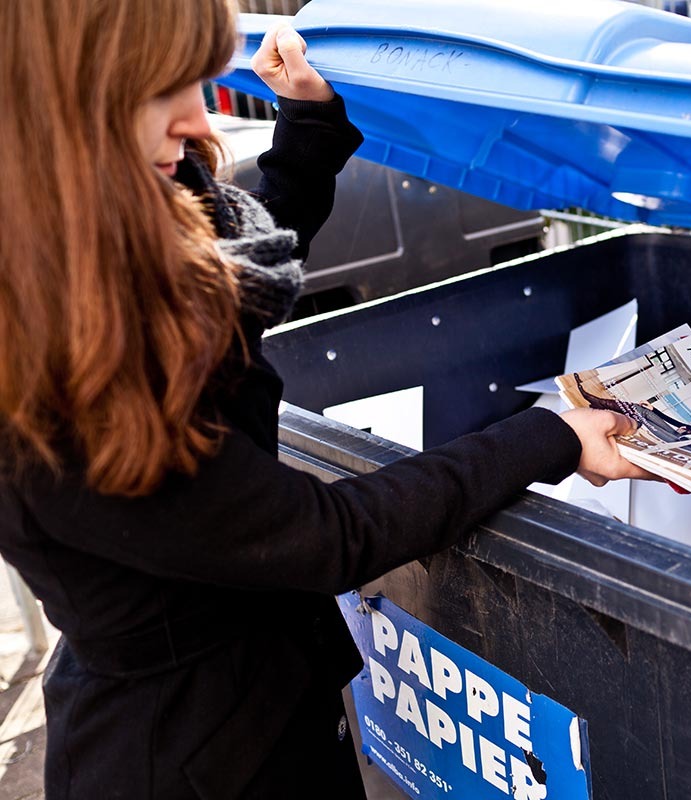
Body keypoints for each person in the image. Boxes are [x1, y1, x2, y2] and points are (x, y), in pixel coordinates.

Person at [0, 2, 650, 797]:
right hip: (191, 756)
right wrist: (549, 435)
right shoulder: (39, 380)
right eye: (156, 88)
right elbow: (327, 536)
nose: (192, 116)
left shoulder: (101, 242)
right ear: (55, 109)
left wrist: (305, 122)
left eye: (191, 80)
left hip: (268, 698)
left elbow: (233, 283)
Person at [572, 373, 691, 450]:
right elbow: (681, 425)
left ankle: (597, 403)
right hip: (679, 436)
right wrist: (654, 408)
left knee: (640, 417)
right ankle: (598, 402)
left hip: (682, 444)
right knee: (643, 411)